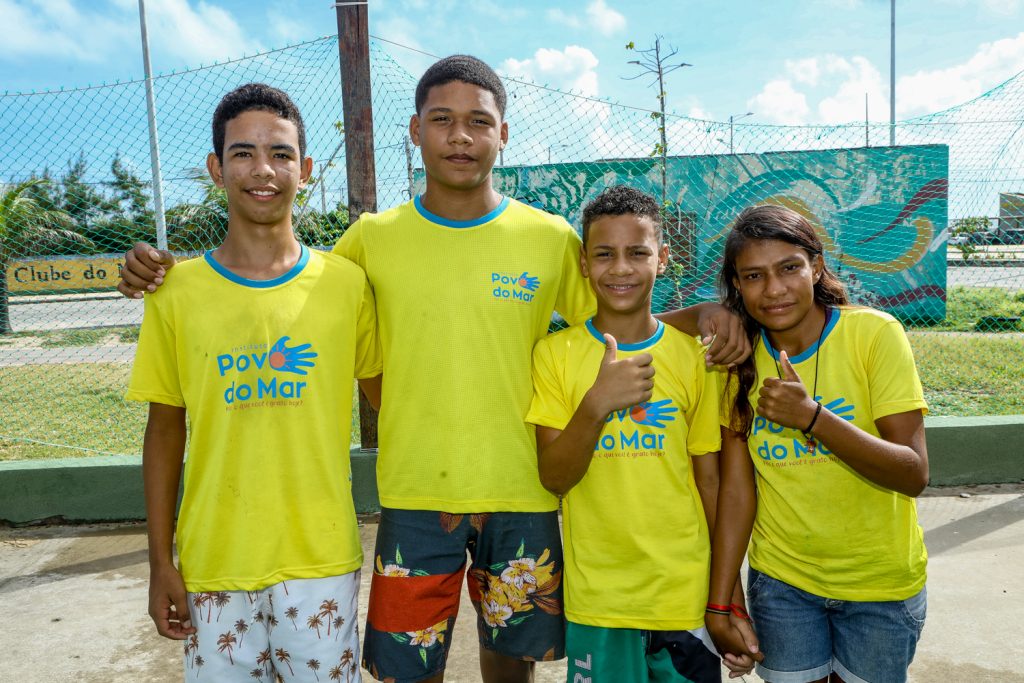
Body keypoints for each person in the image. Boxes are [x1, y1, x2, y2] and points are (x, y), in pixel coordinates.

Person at [118, 56, 749, 683]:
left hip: (520, 490)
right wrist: (169, 271)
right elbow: (287, 288)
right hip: (415, 495)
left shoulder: (549, 238)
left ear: (503, 134)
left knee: (510, 660)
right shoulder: (371, 239)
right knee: (407, 666)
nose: (460, 136)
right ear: (415, 131)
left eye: (479, 121)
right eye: (442, 119)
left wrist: (707, 314)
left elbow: (622, 312)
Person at [126, 83, 381, 683]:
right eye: (243, 153)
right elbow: (164, 431)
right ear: (216, 168)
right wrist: (160, 562)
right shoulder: (175, 294)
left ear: (306, 169)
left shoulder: (345, 285)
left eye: (282, 154)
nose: (263, 170)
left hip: (320, 558)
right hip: (215, 563)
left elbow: (389, 406)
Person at [525, 186, 758, 683]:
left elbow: (710, 484)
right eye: (604, 255)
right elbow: (554, 478)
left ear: (663, 258)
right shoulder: (555, 355)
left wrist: (728, 597)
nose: (621, 269)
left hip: (684, 597)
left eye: (638, 253)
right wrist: (596, 404)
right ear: (584, 264)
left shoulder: (696, 357)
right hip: (600, 601)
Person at [707, 204, 929, 683]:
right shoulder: (736, 361)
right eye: (753, 276)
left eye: (789, 268)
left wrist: (812, 418)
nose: (774, 289)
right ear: (737, 287)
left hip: (880, 589)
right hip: (783, 587)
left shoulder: (873, 334)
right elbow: (736, 494)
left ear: (817, 266)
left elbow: (913, 475)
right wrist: (721, 602)